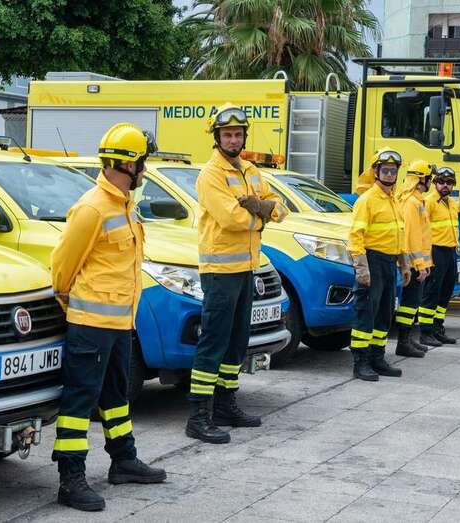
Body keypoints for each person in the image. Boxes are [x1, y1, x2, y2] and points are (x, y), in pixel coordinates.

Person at [50, 123, 165, 512]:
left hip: (119, 323)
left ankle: (123, 460)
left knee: (116, 396)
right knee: (80, 401)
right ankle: (71, 479)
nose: (146, 169)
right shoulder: (92, 208)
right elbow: (62, 268)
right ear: (129, 165)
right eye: (143, 162)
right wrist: (74, 305)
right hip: (91, 325)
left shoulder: (125, 205)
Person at [186, 103, 288, 444]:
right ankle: (198, 416)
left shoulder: (250, 170)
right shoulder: (210, 175)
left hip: (246, 268)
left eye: (238, 134)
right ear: (217, 137)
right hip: (220, 271)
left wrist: (263, 207)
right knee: (213, 342)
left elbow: (281, 207)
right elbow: (232, 218)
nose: (233, 140)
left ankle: (225, 405)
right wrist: (262, 215)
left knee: (236, 342)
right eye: (227, 134)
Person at [348, 148, 408, 381]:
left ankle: (377, 358)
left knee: (384, 313)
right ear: (375, 172)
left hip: (389, 262)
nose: (390, 175)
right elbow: (356, 236)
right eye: (385, 170)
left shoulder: (394, 199)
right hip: (372, 260)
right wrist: (362, 268)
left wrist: (403, 264)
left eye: (393, 171)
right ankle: (360, 362)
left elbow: (398, 234)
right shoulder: (367, 200)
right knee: (366, 312)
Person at [394, 159, 435, 358]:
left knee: (413, 303)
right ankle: (403, 342)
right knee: (410, 302)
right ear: (421, 179)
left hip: (417, 263)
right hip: (413, 264)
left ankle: (407, 339)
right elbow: (411, 236)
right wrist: (419, 265)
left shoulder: (417, 200)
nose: (430, 182)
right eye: (429, 178)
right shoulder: (411, 202)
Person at [420, 167, 460, 346]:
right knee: (431, 293)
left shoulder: (452, 203)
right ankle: (425, 332)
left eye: (449, 182)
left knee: (445, 292)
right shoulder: (429, 201)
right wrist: (426, 258)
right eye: (441, 182)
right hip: (435, 251)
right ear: (435, 183)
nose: (445, 185)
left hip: (450, 251)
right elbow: (422, 231)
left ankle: (437, 328)